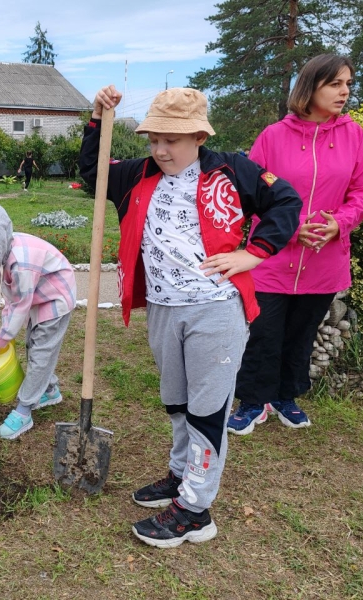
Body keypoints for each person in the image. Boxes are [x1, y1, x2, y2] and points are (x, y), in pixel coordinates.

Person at [79, 85, 302, 548]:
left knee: (207, 410)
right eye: (154, 139)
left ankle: (196, 509)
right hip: (163, 309)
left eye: (172, 140)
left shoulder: (231, 169)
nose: (160, 150)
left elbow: (286, 202)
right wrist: (98, 117)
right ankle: (181, 476)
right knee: (177, 402)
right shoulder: (139, 174)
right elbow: (92, 171)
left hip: (216, 311)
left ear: (199, 136)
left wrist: (253, 254)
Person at [228, 55, 363, 435]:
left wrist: (336, 224)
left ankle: (285, 397)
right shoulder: (273, 136)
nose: (344, 91)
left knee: (302, 332)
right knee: (264, 332)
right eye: (335, 84)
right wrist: (291, 231)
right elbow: (253, 194)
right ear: (310, 87)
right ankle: (251, 402)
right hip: (272, 258)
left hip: (325, 259)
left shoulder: (353, 136)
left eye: (348, 83)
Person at [0, 203, 77, 440]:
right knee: (33, 347)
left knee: (40, 353)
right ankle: (50, 390)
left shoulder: (21, 262)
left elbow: (20, 305)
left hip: (55, 298)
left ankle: (24, 411)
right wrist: (3, 336)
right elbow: (11, 300)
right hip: (40, 296)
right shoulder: (3, 254)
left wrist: (0, 340)